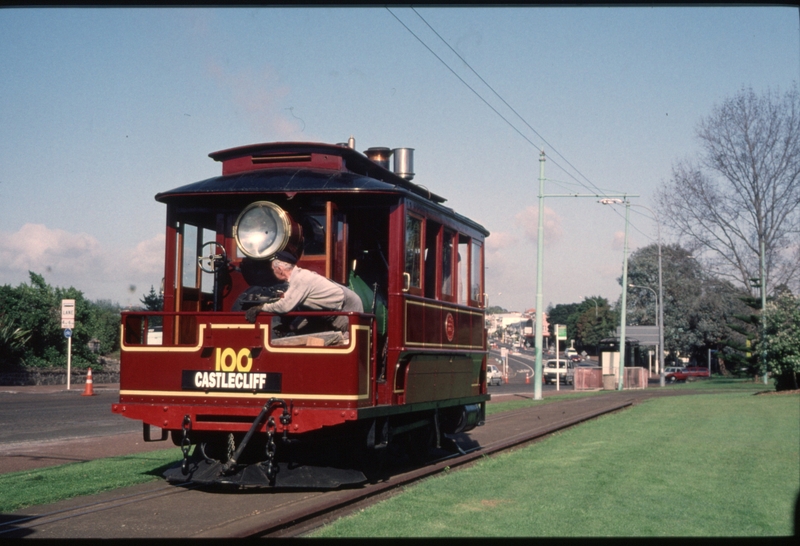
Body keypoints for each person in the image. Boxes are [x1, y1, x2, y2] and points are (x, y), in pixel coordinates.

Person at [244, 251, 363, 334]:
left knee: (346, 343)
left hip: (346, 307)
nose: (272, 271)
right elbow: (307, 311)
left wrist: (260, 308)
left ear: (280, 269)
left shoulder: (300, 279)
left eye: (273, 269)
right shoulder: (297, 279)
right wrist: (291, 327)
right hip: (331, 312)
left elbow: (284, 306)